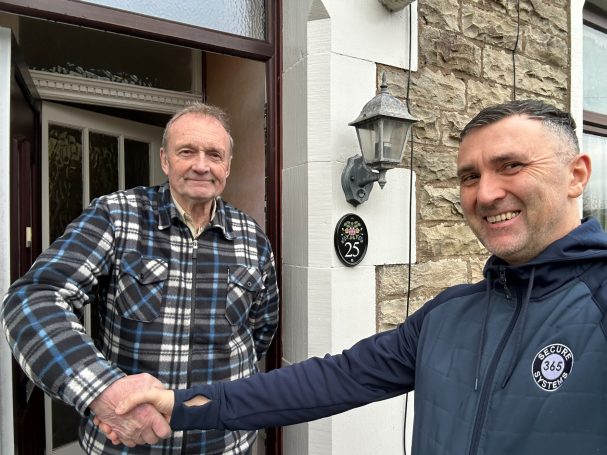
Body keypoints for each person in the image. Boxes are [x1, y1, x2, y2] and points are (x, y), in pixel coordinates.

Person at [99, 98, 607, 454]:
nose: (487, 193)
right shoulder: (448, 316)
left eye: (511, 166)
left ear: (577, 175)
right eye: (470, 176)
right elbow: (332, 379)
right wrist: (177, 404)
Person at [1, 102, 280, 454]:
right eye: (186, 151)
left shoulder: (252, 238)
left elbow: (260, 331)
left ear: (227, 165)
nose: (201, 165)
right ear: (165, 160)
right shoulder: (117, 216)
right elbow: (33, 299)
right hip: (126, 444)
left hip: (224, 442)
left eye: (214, 154)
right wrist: (103, 390)